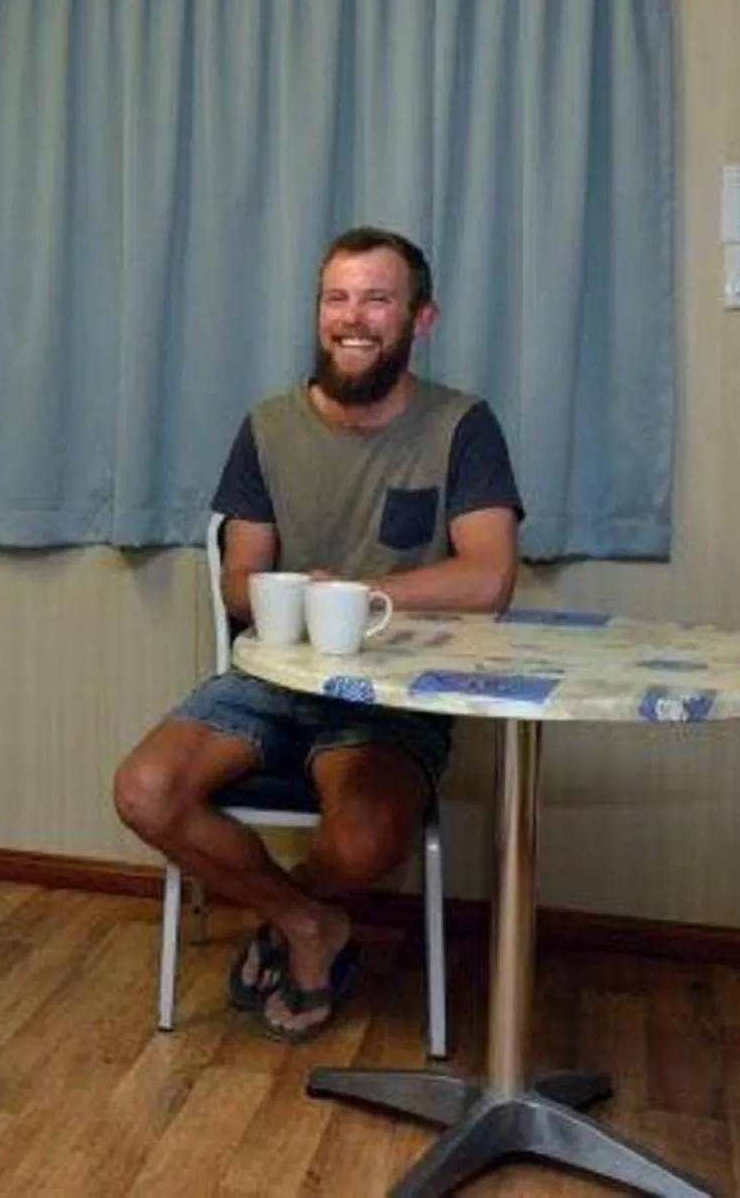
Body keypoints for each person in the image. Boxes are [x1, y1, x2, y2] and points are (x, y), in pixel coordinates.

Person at [111, 226, 522, 1044]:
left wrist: (362, 593)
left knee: (365, 839)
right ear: (318, 312)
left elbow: (488, 577)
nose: (354, 317)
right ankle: (307, 925)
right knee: (143, 792)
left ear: (421, 316)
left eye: (377, 298)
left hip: (392, 692)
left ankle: (290, 908)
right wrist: (289, 599)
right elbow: (239, 581)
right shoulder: (268, 426)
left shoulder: (462, 424)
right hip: (269, 674)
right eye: (337, 298)